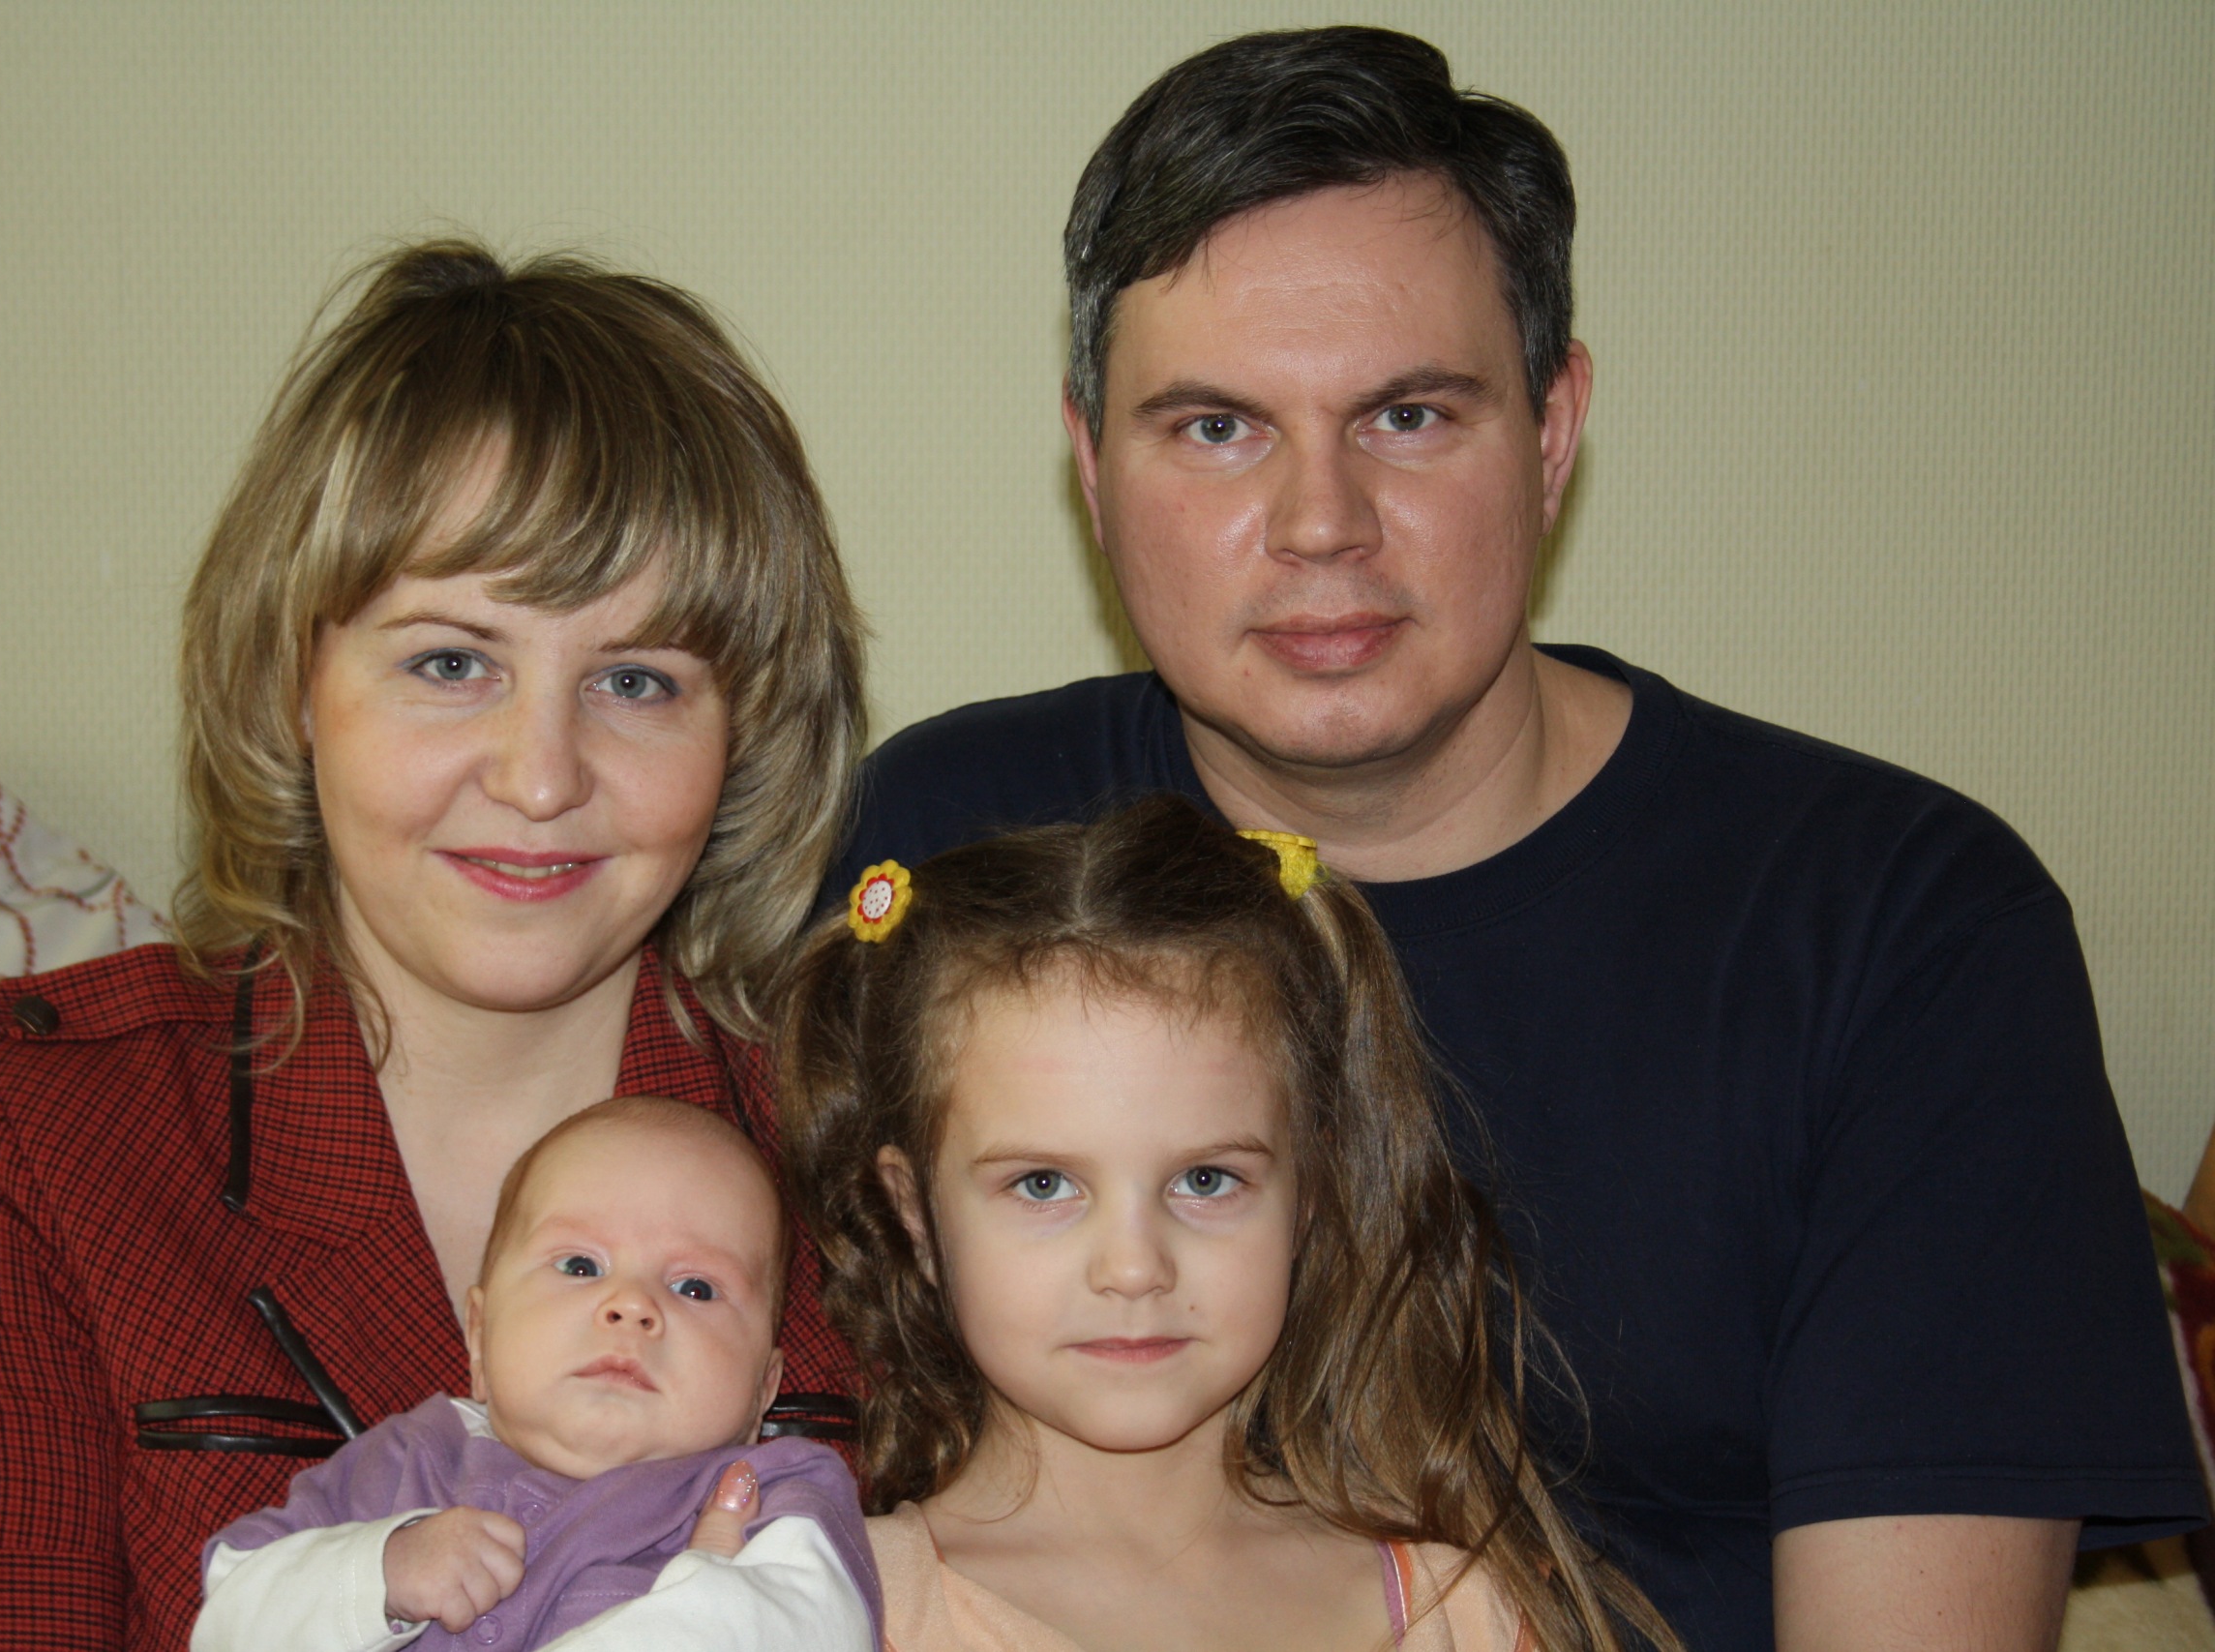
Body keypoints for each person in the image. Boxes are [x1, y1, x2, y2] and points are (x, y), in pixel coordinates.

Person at [826, 26, 2201, 1651]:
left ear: (1553, 431)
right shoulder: (953, 847)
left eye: (1409, 415)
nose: (1321, 521)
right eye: (1216, 427)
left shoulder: (1896, 926)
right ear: (1092, 461)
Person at [0, 240, 866, 1651]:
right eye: (450, 661)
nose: (540, 777)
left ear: (743, 734)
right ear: (292, 682)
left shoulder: (868, 1144)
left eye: (635, 679)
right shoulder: (44, 1141)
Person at [782, 796, 1675, 1652]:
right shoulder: (819, 1606)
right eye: (1044, 1184)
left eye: (1205, 1179)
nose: (1135, 1267)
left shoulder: (1465, 1610)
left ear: (1310, 1190)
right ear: (915, 1213)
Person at [195, 1097, 878, 1652]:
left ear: (763, 1389)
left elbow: (803, 1623)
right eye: (580, 1266)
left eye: (695, 1287)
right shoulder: (405, 1459)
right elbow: (227, 1617)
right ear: (479, 1336)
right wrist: (380, 1570)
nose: (631, 1305)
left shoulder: (777, 1499)